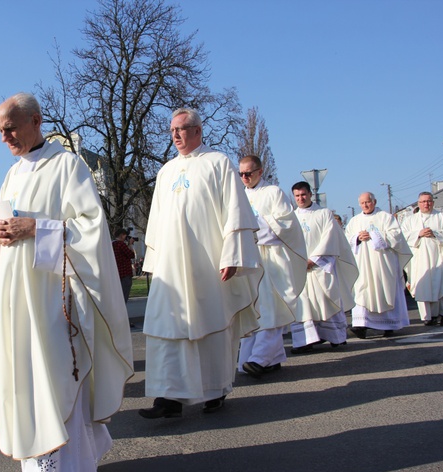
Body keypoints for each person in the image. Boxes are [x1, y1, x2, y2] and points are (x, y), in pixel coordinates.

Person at [0, 92, 133, 472]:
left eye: (11, 128)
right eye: (0, 131)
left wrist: (37, 228)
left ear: (35, 120)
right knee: (26, 380)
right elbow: (5, 228)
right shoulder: (13, 173)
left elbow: (90, 229)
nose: (5, 137)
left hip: (55, 295)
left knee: (52, 378)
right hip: (18, 298)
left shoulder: (67, 165)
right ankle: (69, 469)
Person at [139, 108, 262, 418]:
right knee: (169, 325)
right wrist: (154, 260)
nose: (176, 135)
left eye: (182, 129)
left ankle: (215, 389)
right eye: (172, 131)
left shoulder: (218, 163)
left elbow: (234, 211)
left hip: (208, 260)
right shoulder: (166, 171)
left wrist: (232, 254)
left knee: (210, 323)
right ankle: (168, 397)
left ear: (197, 131)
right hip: (171, 264)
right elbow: (155, 220)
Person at [237, 155, 307, 379]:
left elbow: (285, 224)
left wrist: (253, 226)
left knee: (271, 308)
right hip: (250, 259)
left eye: (248, 173)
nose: (245, 178)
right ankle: (267, 358)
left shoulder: (274, 193)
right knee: (253, 309)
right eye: (241, 174)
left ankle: (259, 358)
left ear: (260, 171)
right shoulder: (239, 195)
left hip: (272, 259)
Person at [289, 182, 358, 353]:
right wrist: (297, 261)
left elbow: (330, 238)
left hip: (320, 266)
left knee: (327, 299)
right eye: (297, 196)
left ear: (310, 194)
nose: (300, 199)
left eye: (303, 195)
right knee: (303, 304)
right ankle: (306, 340)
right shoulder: (292, 216)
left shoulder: (324, 214)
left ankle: (336, 337)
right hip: (300, 269)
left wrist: (313, 259)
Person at [345, 192, 412, 337]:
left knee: (385, 290)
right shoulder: (355, 221)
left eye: (368, 202)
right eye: (362, 203)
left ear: (374, 202)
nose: (365, 205)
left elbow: (396, 236)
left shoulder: (386, 218)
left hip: (383, 265)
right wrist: (357, 237)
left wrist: (374, 235)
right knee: (362, 291)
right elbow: (347, 239)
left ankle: (389, 325)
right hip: (362, 265)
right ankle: (361, 326)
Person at [400, 192, 443, 326]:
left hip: (440, 257)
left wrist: (435, 234)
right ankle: (428, 317)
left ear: (433, 202)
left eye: (429, 201)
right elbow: (403, 236)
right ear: (418, 203)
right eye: (423, 201)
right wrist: (418, 233)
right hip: (420, 259)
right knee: (423, 286)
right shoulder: (410, 220)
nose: (426, 204)